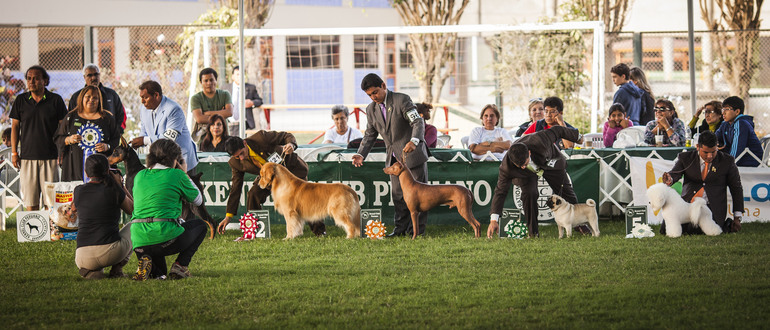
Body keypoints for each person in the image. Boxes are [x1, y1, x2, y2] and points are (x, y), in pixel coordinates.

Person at [353, 73, 429, 237]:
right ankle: (400, 230)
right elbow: (369, 135)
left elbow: (417, 122)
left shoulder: (402, 100)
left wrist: (415, 141)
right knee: (398, 196)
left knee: (419, 196)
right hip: (394, 161)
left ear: (383, 86)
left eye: (375, 92)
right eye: (369, 95)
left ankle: (417, 232)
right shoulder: (370, 110)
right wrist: (361, 154)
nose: (373, 97)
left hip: (413, 156)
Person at [216, 134, 326, 236]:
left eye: (241, 153)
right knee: (253, 194)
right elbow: (235, 188)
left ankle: (320, 231)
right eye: (237, 156)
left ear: (245, 143)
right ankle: (255, 231)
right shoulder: (235, 163)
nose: (241, 158)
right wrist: (228, 216)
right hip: (268, 178)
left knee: (305, 199)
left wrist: (290, 144)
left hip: (291, 169)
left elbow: (286, 136)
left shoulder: (261, 138)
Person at [487, 126, 583, 238]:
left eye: (525, 163)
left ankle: (579, 223)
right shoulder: (506, 167)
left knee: (566, 191)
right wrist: (494, 220)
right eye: (520, 165)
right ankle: (533, 232)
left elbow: (558, 130)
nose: (523, 166)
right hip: (526, 176)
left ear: (529, 152)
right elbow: (500, 192)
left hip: (549, 163)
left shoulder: (541, 139)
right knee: (529, 194)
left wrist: (577, 136)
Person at [130, 139, 207, 280]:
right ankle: (180, 266)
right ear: (174, 159)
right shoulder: (176, 175)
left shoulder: (140, 175)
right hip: (164, 237)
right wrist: (184, 173)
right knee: (200, 226)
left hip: (139, 240)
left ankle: (148, 263)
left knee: (160, 275)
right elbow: (198, 200)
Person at [9, 65, 68, 210]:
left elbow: (63, 129)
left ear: (45, 81)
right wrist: (14, 153)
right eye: (29, 78)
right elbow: (15, 127)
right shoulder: (21, 101)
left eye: (36, 78)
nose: (31, 82)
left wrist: (62, 152)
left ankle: (51, 232)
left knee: (51, 202)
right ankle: (34, 233)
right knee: (30, 202)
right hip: (27, 158)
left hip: (51, 158)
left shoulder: (56, 100)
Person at [661, 131, 743, 234]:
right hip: (687, 206)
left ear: (717, 146)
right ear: (697, 147)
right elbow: (675, 174)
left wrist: (737, 217)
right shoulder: (685, 158)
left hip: (712, 208)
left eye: (713, 151)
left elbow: (736, 188)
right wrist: (670, 179)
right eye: (706, 152)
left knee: (698, 229)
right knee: (667, 227)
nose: (710, 156)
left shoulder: (727, 161)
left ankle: (725, 225)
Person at [74, 154, 134, 279]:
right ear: (108, 171)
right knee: (136, 224)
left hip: (81, 257)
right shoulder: (114, 190)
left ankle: (92, 271)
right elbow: (133, 210)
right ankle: (117, 269)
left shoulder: (78, 190)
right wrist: (120, 185)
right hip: (110, 253)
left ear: (85, 172)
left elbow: (73, 208)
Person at [130, 80, 199, 174]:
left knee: (185, 188)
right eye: (141, 98)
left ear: (156, 95)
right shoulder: (144, 109)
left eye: (145, 97)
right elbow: (144, 130)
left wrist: (145, 140)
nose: (142, 101)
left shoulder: (173, 109)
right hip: (161, 161)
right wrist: (138, 141)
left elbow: (169, 138)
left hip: (181, 160)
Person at [55, 85, 120, 181]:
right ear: (81, 98)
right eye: (88, 97)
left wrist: (107, 146)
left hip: (100, 171)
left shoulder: (107, 118)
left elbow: (116, 139)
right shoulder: (71, 117)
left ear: (99, 100)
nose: (91, 100)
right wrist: (69, 139)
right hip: (74, 168)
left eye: (95, 98)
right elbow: (58, 138)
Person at [67, 64, 126, 134]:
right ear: (84, 77)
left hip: (109, 139)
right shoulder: (76, 97)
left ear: (99, 75)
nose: (93, 78)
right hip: (84, 139)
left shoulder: (111, 95)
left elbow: (122, 115)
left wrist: (117, 131)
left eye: (96, 74)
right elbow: (70, 119)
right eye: (89, 75)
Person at [715, 96, 763, 167]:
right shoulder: (725, 124)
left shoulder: (741, 124)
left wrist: (728, 166)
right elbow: (713, 138)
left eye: (727, 109)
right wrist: (716, 143)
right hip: (737, 161)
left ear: (737, 112)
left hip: (750, 162)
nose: (723, 113)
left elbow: (737, 150)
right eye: (723, 109)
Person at [190, 67, 232, 142]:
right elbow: (199, 119)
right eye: (206, 81)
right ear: (201, 82)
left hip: (223, 138)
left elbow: (229, 112)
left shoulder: (225, 94)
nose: (209, 83)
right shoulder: (196, 98)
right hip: (204, 138)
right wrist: (221, 115)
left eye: (211, 80)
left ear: (216, 80)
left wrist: (208, 113)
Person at [223, 66, 263, 134]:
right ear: (232, 76)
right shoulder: (225, 88)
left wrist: (252, 103)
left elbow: (260, 101)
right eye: (237, 74)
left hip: (245, 123)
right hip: (229, 123)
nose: (240, 77)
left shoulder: (250, 88)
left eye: (242, 74)